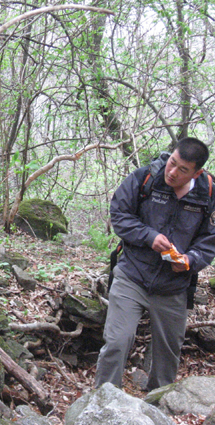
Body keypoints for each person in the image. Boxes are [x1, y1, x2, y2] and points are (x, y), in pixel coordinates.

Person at [95, 137, 215, 391]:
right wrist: (148, 236)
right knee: (117, 342)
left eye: (183, 169)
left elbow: (210, 240)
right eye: (172, 162)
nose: (172, 172)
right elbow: (119, 214)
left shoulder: (209, 195)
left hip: (173, 287)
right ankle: (103, 400)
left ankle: (158, 404)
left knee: (168, 354)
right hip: (132, 275)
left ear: (197, 172)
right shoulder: (145, 178)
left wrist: (190, 260)